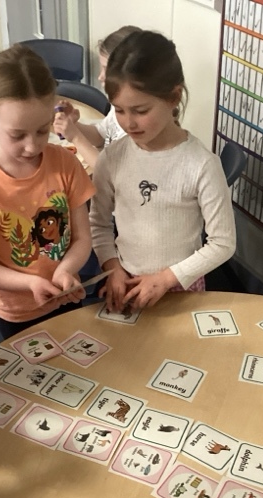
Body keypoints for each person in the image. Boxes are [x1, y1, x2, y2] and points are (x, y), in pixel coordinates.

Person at [0, 45, 95, 339]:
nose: (32, 146)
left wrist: (65, 270)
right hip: (17, 312)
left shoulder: (65, 163)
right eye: (17, 135)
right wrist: (30, 284)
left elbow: (82, 238)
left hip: (67, 295)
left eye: (42, 130)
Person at [90, 30, 236, 311]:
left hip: (180, 287)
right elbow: (98, 223)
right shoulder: (112, 158)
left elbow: (223, 242)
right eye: (119, 110)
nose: (128, 123)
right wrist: (112, 266)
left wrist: (166, 278)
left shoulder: (201, 164)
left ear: (173, 97)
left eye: (140, 110)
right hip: (125, 281)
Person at [52, 25, 141, 169]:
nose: (100, 76)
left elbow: (109, 172)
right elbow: (102, 136)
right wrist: (74, 125)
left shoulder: (138, 123)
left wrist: (76, 137)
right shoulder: (118, 104)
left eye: (107, 69)